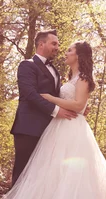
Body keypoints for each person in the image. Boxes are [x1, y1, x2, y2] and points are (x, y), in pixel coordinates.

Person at [0, 40, 106, 199]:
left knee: (74, 173)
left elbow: (78, 105)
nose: (65, 53)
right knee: (53, 170)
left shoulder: (84, 77)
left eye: (69, 50)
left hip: (73, 129)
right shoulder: (70, 77)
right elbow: (79, 103)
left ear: (78, 56)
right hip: (58, 127)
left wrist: (50, 98)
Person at [9, 29, 77, 187]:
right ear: (41, 44)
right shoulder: (27, 65)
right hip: (28, 128)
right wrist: (56, 111)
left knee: (42, 172)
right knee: (23, 169)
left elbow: (58, 96)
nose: (57, 47)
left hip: (50, 129)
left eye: (58, 44)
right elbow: (31, 94)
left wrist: (76, 107)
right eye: (54, 43)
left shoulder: (55, 71)